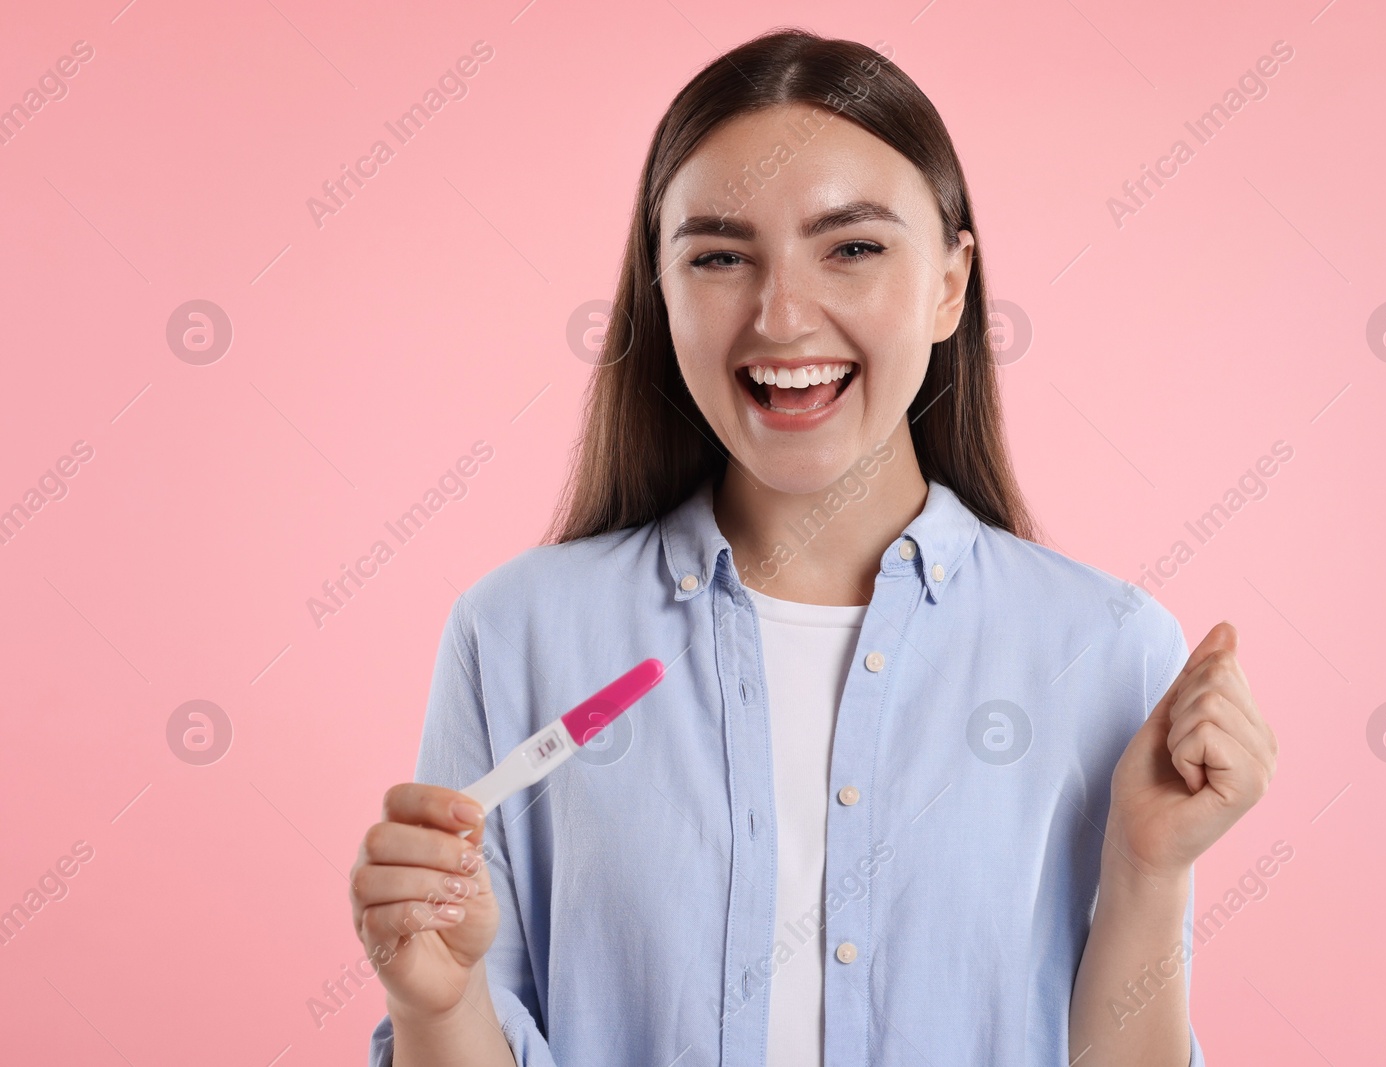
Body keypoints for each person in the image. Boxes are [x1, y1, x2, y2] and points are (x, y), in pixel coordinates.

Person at [350, 27, 1276, 1067]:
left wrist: (1149, 868)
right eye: (718, 256)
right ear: (660, 291)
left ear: (949, 283)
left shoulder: (1106, 648)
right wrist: (438, 1006)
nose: (782, 316)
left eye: (852, 247)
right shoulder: (516, 632)